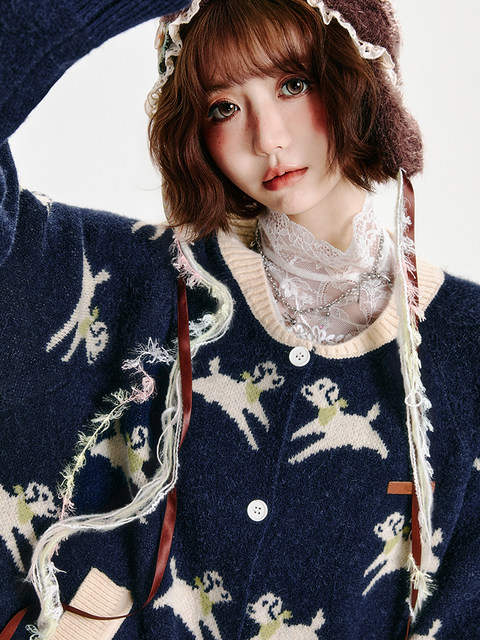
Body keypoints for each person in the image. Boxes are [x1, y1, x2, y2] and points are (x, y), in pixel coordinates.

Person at [0, 1, 479, 639]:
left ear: (360, 76)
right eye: (224, 107)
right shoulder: (130, 276)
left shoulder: (465, 345)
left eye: (294, 84)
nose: (267, 138)